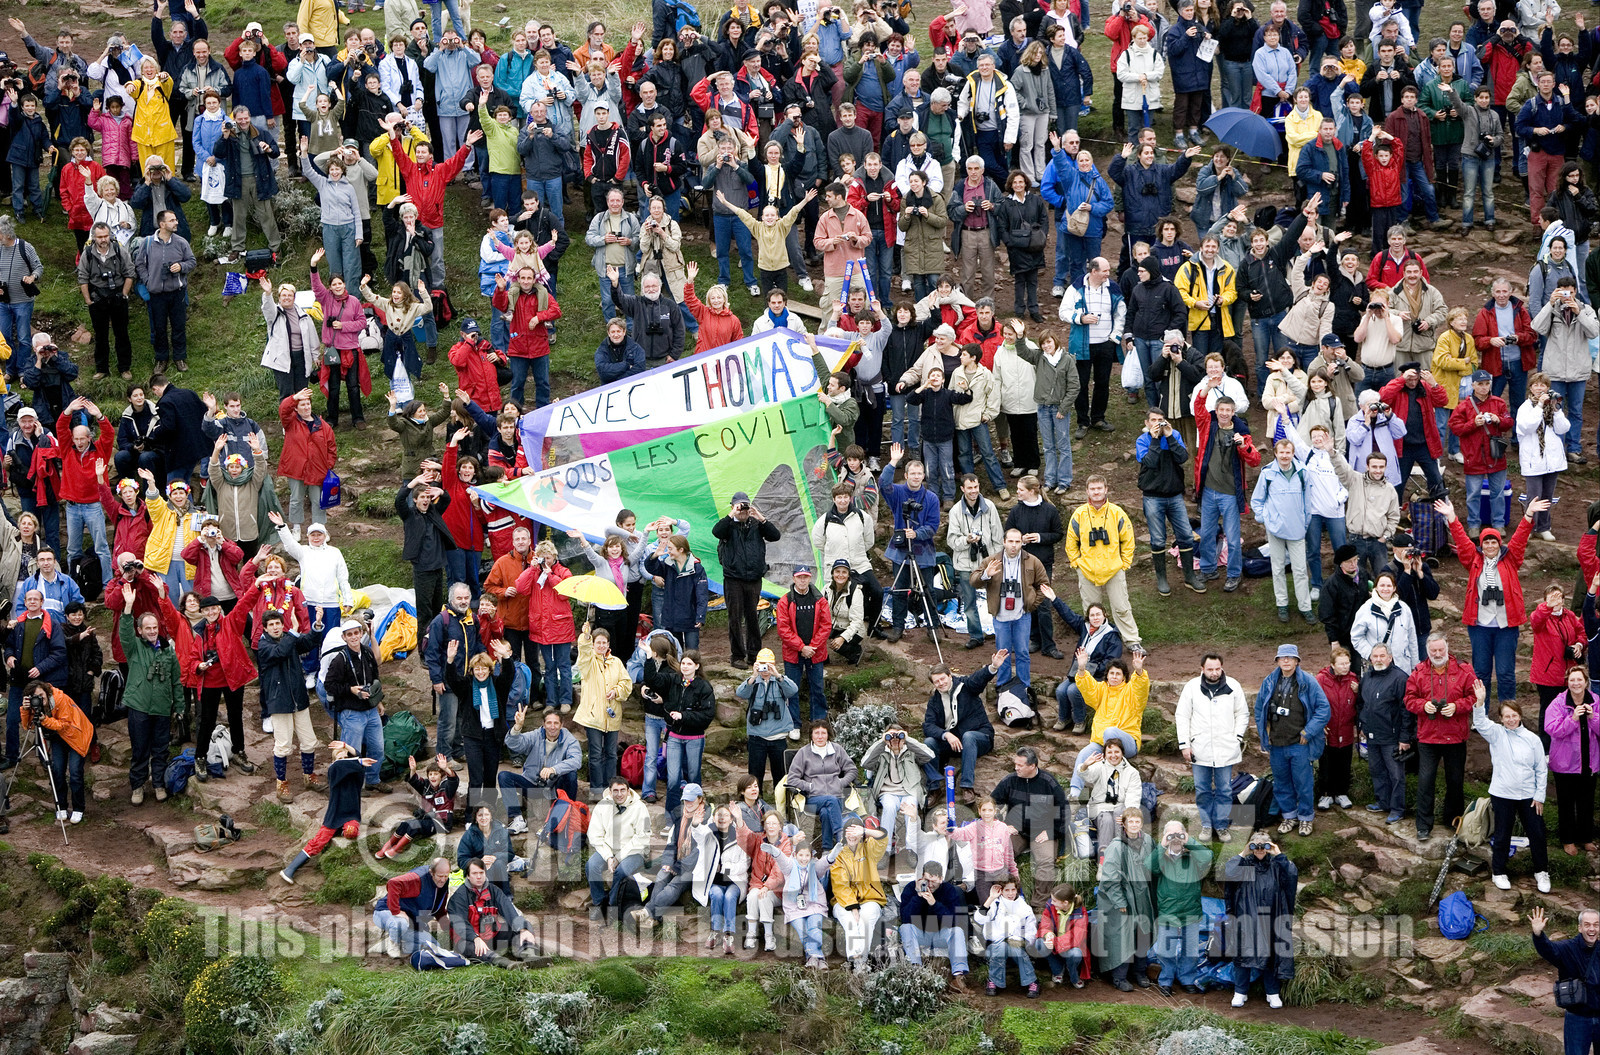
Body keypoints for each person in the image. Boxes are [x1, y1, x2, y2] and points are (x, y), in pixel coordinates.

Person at [1474, 688, 1552, 893]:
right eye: (1506, 716)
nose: (1511, 719)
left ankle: (1541, 871)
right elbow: (1481, 723)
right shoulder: (1496, 734)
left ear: (1520, 716)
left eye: (1514, 715)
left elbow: (1541, 770)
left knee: (1537, 834)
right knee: (1502, 835)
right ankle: (1498, 872)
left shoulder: (1533, 739)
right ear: (1500, 718)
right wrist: (1480, 703)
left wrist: (1539, 796)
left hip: (1529, 796)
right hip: (1502, 794)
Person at [1405, 630, 1479, 841]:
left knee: (1455, 780)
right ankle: (1423, 825)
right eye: (1433, 650)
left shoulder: (1464, 670)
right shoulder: (1418, 672)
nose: (1437, 653)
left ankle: (1453, 820)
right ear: (1427, 651)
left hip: (1455, 736)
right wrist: (1423, 705)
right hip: (1428, 737)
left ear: (1447, 648)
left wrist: (1457, 706)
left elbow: (1475, 695)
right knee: (1425, 781)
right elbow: (1409, 699)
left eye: (1441, 649)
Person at [1255, 643, 1332, 837]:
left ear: (1297, 661)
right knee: (1281, 783)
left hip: (1299, 743)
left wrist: (1309, 732)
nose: (1286, 661)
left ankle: (1306, 818)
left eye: (1290, 658)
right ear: (1277, 661)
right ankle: (1289, 816)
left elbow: (1324, 709)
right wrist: (1264, 734)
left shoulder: (1308, 682)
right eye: (1282, 658)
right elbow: (1259, 710)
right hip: (1276, 744)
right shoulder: (1269, 682)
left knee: (1303, 783)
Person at [1176, 653, 1250, 841]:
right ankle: (1207, 824)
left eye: (1218, 669)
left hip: (1226, 748)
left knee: (1225, 789)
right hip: (1199, 748)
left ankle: (1222, 825)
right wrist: (1185, 744)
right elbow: (1182, 716)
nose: (1214, 673)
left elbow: (1242, 713)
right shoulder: (1191, 687)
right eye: (1210, 669)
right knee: (1202, 789)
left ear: (1222, 667)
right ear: (1202, 669)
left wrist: (1237, 736)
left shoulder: (1233, 686)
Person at [1064, 474, 1142, 650]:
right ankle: (1093, 642)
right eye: (1093, 489)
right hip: (1087, 570)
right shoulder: (1079, 514)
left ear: (1106, 490)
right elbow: (1071, 541)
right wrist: (1076, 563)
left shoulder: (1116, 512)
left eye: (1099, 488)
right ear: (1087, 492)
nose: (1096, 492)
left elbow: (1128, 540)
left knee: (1121, 607)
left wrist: (1125, 563)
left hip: (1114, 568)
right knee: (1091, 610)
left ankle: (1132, 641)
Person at [279, 740, 373, 884]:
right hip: (334, 816)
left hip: (351, 815)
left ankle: (340, 831)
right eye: (339, 757)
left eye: (345, 756)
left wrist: (345, 746)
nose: (343, 759)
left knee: (351, 832)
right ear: (334, 760)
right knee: (317, 843)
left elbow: (357, 757)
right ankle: (290, 869)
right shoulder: (334, 770)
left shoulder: (356, 769)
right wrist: (357, 761)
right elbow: (342, 765)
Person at [1223, 832, 1299, 1007]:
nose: (1259, 849)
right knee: (1243, 952)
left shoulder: (1276, 865)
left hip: (1271, 915)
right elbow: (1229, 873)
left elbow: (1292, 875)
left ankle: (1272, 992)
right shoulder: (1245, 864)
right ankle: (1240, 991)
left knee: (1271, 951)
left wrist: (1278, 854)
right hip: (1246, 914)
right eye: (1255, 846)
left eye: (1263, 846)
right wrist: (1243, 853)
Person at [714, 494, 782, 672]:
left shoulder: (756, 525)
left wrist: (761, 518)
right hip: (733, 578)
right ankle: (737, 655)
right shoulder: (728, 526)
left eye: (745, 507)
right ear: (732, 507)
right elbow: (716, 532)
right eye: (738, 507)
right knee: (734, 617)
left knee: (753, 615)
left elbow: (775, 536)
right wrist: (732, 515)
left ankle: (754, 654)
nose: (742, 511)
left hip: (753, 578)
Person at [922, 654, 1001, 802]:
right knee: (929, 743)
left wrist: (993, 667)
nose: (941, 683)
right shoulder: (934, 701)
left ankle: (967, 787)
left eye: (942, 679)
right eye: (936, 681)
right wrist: (946, 735)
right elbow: (928, 726)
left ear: (950, 676)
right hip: (954, 742)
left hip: (979, 737)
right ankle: (934, 789)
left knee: (969, 736)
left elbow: (978, 679)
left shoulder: (965, 686)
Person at [1150, 819, 1214, 996]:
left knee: (1191, 949)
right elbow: (1149, 868)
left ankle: (1187, 979)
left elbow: (1208, 856)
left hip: (1190, 909)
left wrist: (1189, 840)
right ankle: (1166, 980)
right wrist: (1161, 846)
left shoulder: (1192, 856)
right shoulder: (1161, 857)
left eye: (1179, 834)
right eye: (1171, 835)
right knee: (1164, 949)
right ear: (1165, 837)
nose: (1175, 838)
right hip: (1168, 909)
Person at [448, 857, 542, 965]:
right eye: (474, 873)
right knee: (466, 945)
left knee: (521, 927)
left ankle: (530, 955)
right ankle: (505, 963)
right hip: (467, 940)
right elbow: (459, 924)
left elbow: (509, 910)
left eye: (481, 873)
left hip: (490, 935)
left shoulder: (494, 891)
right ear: (468, 876)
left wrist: (523, 929)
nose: (478, 876)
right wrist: (475, 938)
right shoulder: (459, 896)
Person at [898, 861, 970, 986]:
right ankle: (916, 971)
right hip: (920, 934)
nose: (930, 885)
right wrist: (918, 897)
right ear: (921, 877)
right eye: (927, 880)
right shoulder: (911, 888)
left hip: (940, 934)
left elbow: (954, 920)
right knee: (905, 928)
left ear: (941, 879)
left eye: (934, 881)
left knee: (957, 931)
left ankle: (959, 977)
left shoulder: (949, 890)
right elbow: (905, 917)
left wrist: (934, 904)